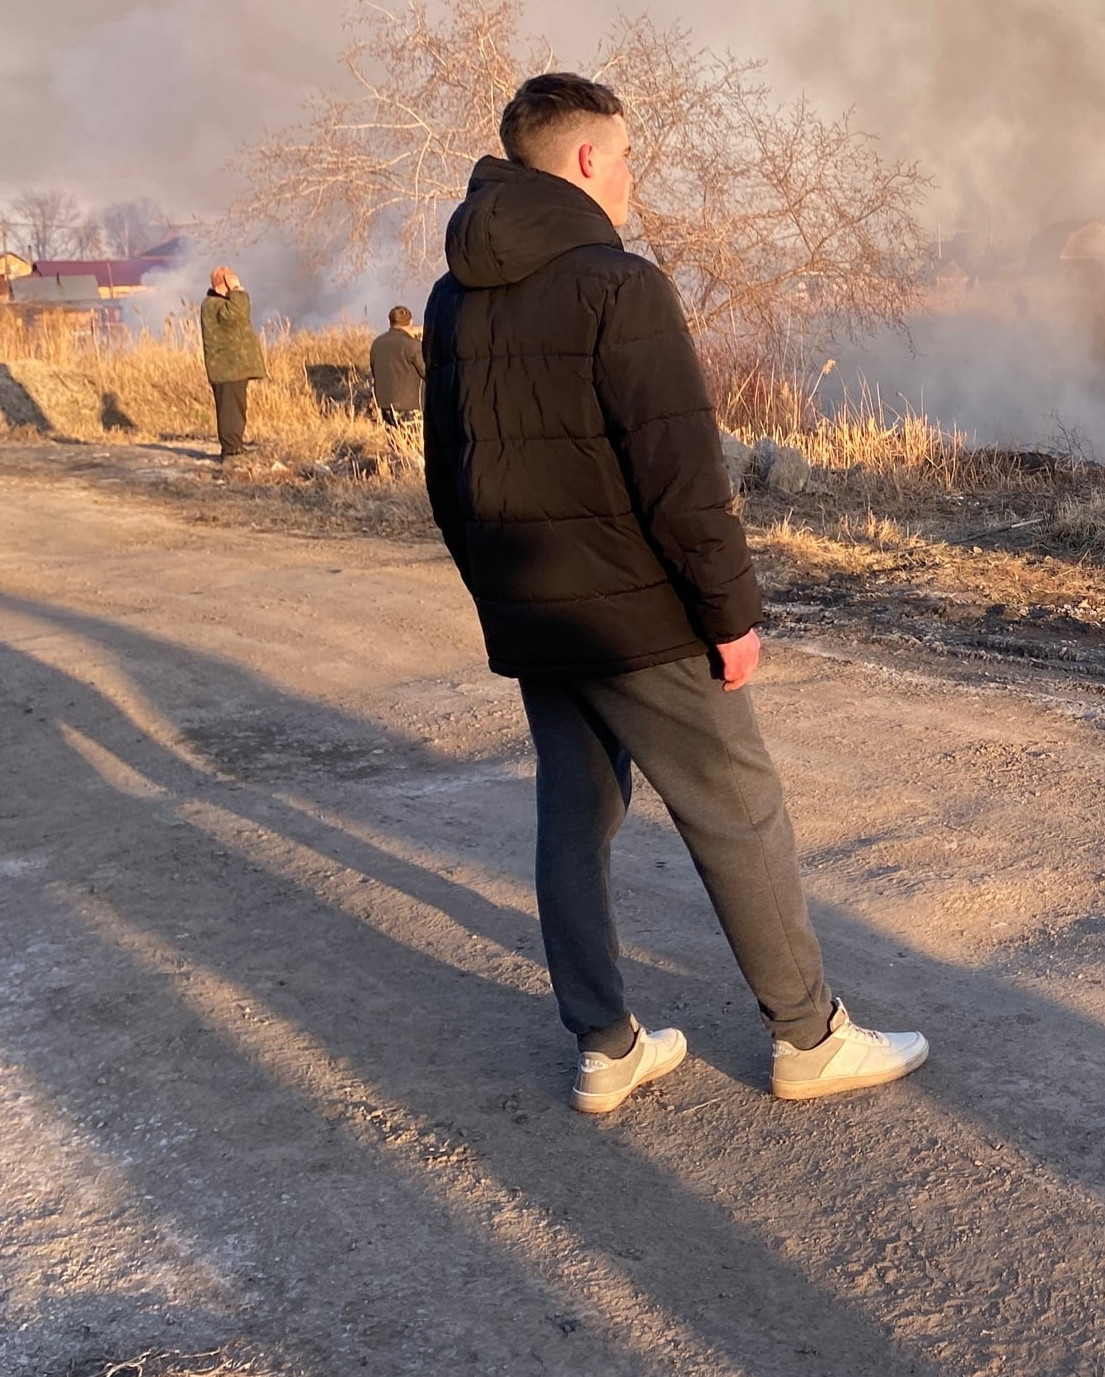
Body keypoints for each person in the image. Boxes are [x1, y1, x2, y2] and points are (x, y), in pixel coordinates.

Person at [422, 71, 927, 1116]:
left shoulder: (452, 292)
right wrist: (730, 614)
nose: (634, 174)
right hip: (639, 615)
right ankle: (808, 1037)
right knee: (741, 812)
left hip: (534, 610)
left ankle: (606, 1048)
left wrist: (501, 594)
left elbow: (446, 470)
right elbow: (682, 474)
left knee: (574, 817)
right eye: (629, 154)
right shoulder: (619, 283)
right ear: (589, 159)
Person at [198, 267, 266, 460]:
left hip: (232, 368)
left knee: (236, 409)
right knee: (230, 410)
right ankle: (231, 450)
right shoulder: (213, 305)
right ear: (223, 285)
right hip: (227, 368)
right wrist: (237, 289)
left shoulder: (217, 304)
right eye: (230, 282)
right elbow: (237, 314)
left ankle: (235, 446)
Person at [368, 306, 425, 427]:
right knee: (411, 444)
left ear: (390, 322)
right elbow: (427, 372)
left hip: (385, 407)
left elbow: (374, 371)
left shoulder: (377, 343)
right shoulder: (414, 346)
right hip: (411, 407)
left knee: (394, 443)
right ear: (411, 322)